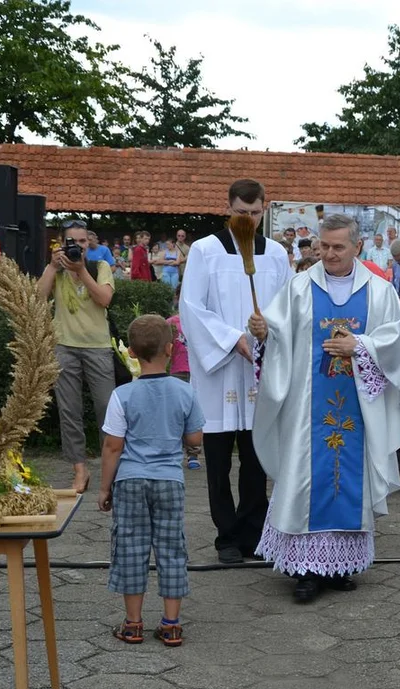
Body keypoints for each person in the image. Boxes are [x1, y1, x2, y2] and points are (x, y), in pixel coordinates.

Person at [249, 213, 400, 603]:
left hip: (358, 407)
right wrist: (263, 333)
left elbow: (392, 341)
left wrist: (360, 346)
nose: (329, 254)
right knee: (307, 476)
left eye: (338, 247)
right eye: (324, 246)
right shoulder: (299, 287)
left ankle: (340, 564)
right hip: (306, 407)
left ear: (357, 246)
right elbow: (277, 332)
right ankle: (305, 568)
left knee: (348, 479)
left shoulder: (379, 290)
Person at [179, 179, 293, 564]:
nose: (248, 219)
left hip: (259, 369)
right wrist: (233, 340)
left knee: (256, 457)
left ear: (266, 208)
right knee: (218, 460)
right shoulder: (205, 251)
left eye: (255, 213)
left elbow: (288, 308)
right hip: (220, 369)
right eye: (240, 213)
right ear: (228, 208)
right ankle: (225, 537)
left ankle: (253, 534)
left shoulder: (276, 254)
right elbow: (191, 307)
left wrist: (267, 332)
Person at [99, 314, 205, 647]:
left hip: (130, 481)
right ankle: (171, 624)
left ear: (130, 352)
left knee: (130, 547)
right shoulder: (184, 391)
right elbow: (195, 438)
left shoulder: (122, 396)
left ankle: (133, 624)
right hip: (169, 481)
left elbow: (113, 446)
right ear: (171, 350)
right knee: (172, 548)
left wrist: (105, 488)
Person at [38, 220, 116, 494]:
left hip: (98, 346)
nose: (78, 247)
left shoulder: (99, 267)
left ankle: (110, 471)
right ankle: (79, 470)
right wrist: (51, 266)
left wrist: (82, 271)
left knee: (107, 409)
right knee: (69, 411)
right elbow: (37, 298)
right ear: (62, 243)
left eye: (82, 242)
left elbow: (104, 299)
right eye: (72, 242)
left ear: (89, 243)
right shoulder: (57, 270)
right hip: (64, 346)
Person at [168, 286, 202, 470]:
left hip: (197, 374)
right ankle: (174, 451)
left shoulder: (200, 322)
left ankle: (194, 453)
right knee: (175, 414)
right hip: (177, 372)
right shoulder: (171, 324)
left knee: (195, 415)